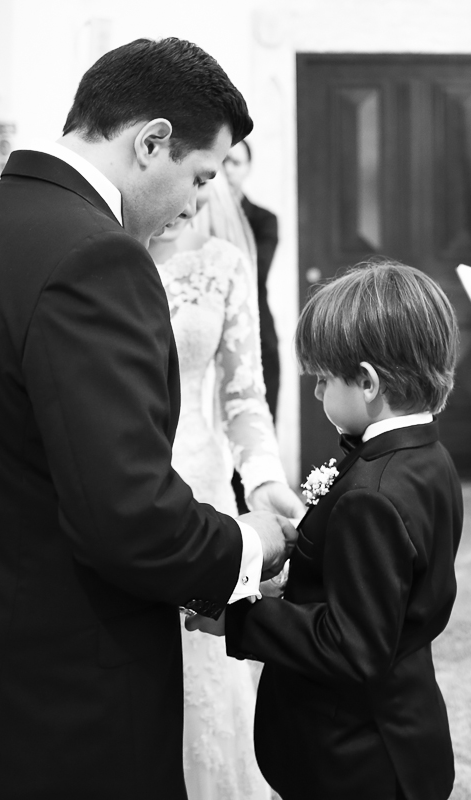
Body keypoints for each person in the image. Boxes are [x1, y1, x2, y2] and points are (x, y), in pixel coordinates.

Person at [0, 38, 298, 800]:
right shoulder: (100, 258)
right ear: (150, 142)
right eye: (198, 177)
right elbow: (127, 516)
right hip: (46, 702)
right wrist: (253, 543)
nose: (196, 206)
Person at [189, 261, 463, 800]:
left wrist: (239, 619)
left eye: (322, 379)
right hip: (404, 725)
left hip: (357, 757)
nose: (316, 395)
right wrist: (294, 581)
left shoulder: (370, 494)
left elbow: (353, 647)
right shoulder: (430, 457)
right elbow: (385, 599)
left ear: (367, 382)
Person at [149, 177, 304, 800]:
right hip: (121, 479)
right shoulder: (101, 254)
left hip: (203, 478)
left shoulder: (223, 264)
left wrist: (263, 478)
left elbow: (245, 397)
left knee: (200, 665)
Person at [222, 140, 280, 421]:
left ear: (247, 168)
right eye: (222, 161)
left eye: (235, 162)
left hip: (256, 334)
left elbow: (256, 272)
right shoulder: (189, 217)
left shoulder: (264, 219)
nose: (227, 169)